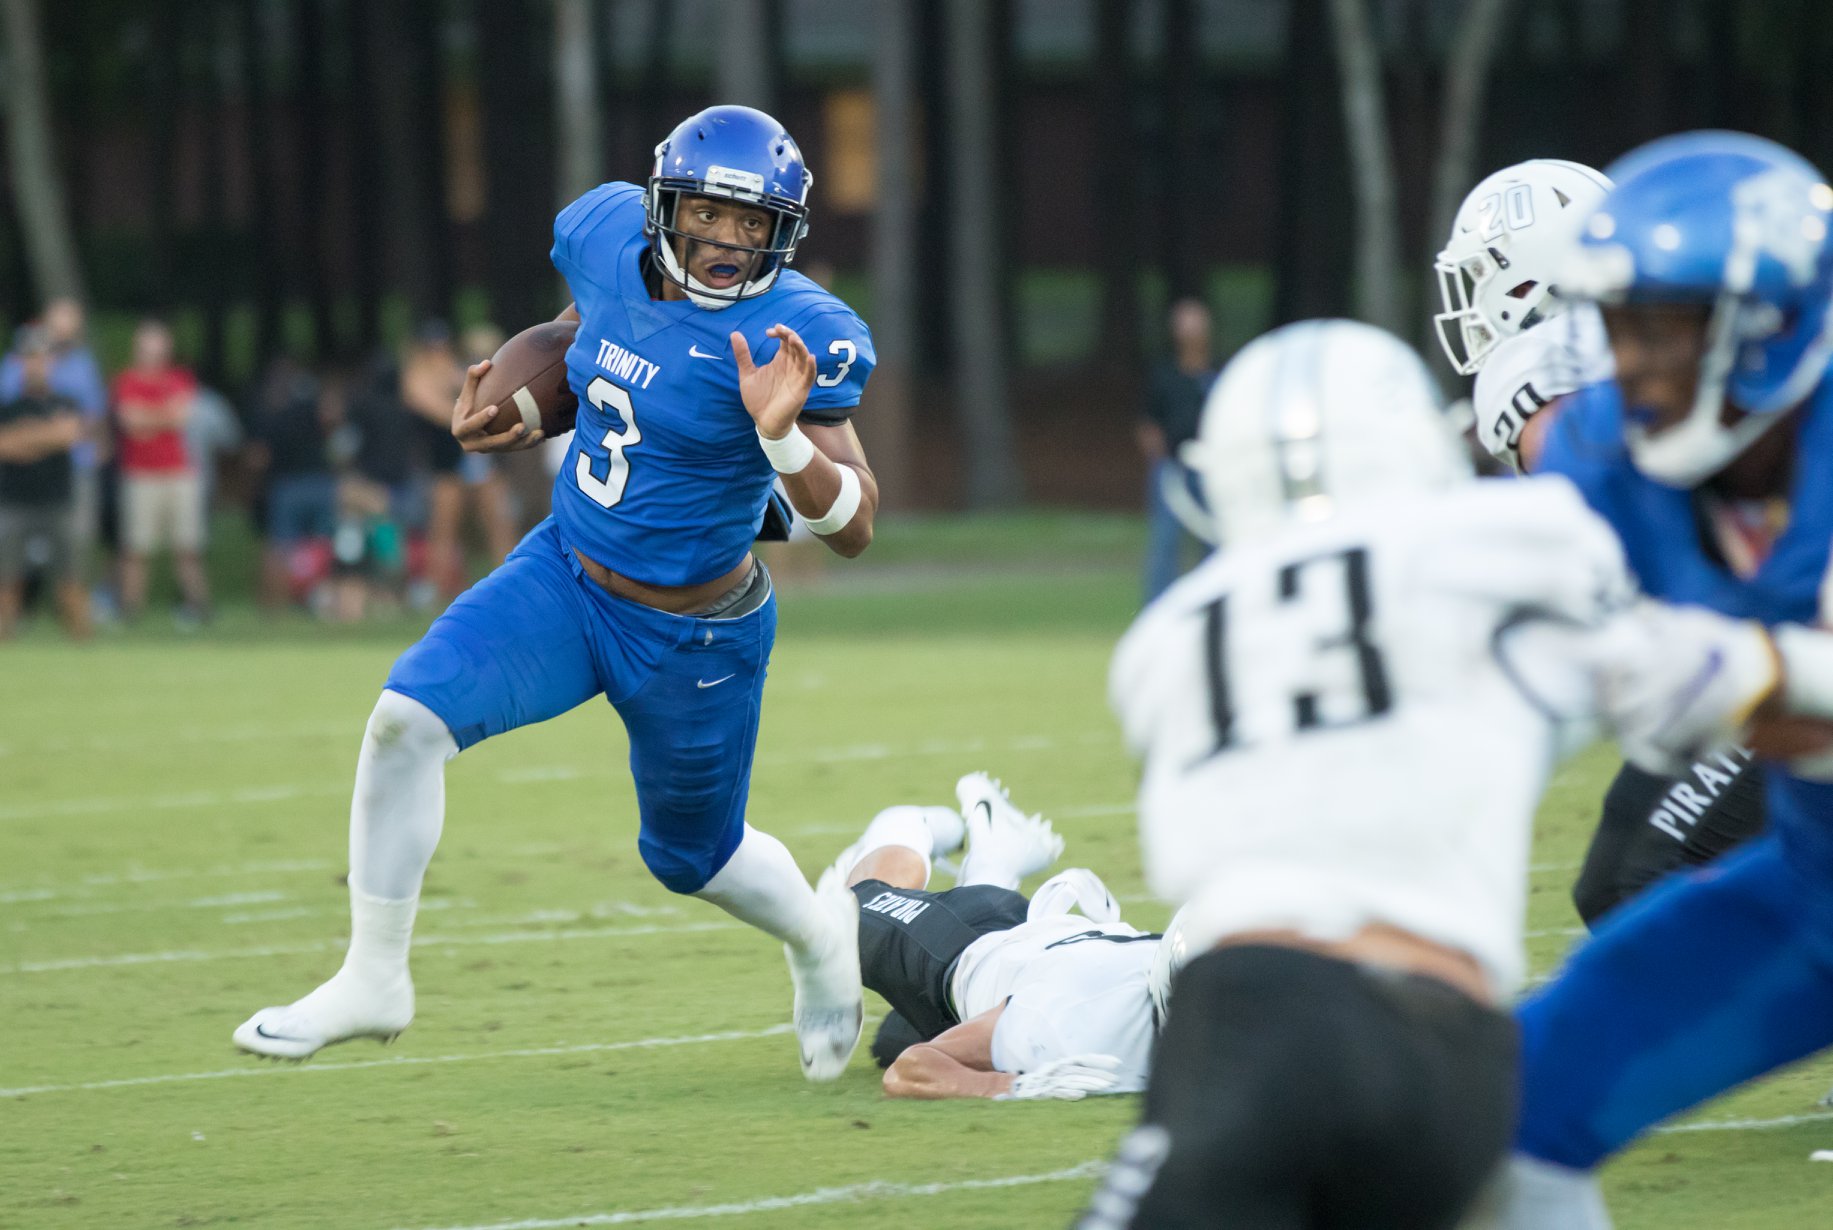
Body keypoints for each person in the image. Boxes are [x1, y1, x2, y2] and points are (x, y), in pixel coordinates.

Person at [1074, 319, 1797, 1230]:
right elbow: (1681, 683)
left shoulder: (1163, 642)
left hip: (1266, 1021)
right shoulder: (1496, 539)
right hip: (1462, 1051)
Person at [233, 105, 880, 1084]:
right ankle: (372, 978)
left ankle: (821, 941)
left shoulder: (797, 333)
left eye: (753, 224)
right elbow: (587, 335)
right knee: (405, 721)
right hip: (566, 575)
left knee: (693, 859)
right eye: (709, 213)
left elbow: (854, 527)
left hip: (695, 631)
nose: (726, 241)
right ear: (664, 206)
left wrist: (782, 437)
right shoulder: (606, 237)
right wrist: (522, 406)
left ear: (782, 233)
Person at [1498, 132, 1833, 1230]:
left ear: (1768, 328)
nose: (1630, 363)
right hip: (1813, 889)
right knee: (1502, 1117)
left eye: (1660, 329)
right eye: (1617, 327)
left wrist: (1773, 673)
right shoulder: (1608, 453)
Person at [1437, 157, 1766, 927]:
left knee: (1632, 882)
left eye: (1483, 273)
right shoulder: (1664, 331)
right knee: (1631, 882)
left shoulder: (1544, 369)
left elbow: (1593, 523)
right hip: (1758, 631)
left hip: (1782, 638)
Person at [834, 772, 1158, 1102]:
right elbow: (910, 1069)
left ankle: (995, 860)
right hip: (963, 942)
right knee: (846, 911)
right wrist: (1009, 1087)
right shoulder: (1061, 1015)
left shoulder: (1160, 982)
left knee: (891, 1040)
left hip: (1025, 958)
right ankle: (907, 825)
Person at [112, 319, 209, 625]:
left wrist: (147, 418)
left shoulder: (180, 378)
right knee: (136, 547)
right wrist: (163, 415)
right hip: (139, 474)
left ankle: (199, 607)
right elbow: (130, 422)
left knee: (187, 546)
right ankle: (130, 610)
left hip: (178, 473)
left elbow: (181, 417)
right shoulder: (126, 380)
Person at [0, 326, 90, 638]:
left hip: (58, 502)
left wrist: (24, 436)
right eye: (30, 358)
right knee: (7, 578)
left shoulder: (68, 402)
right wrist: (47, 435)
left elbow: (68, 435)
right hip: (15, 502)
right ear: (20, 362)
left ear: (52, 362)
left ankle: (82, 644)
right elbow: (4, 446)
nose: (37, 364)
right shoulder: (8, 408)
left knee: (71, 577)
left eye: (42, 357)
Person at [1138, 299, 1215, 603]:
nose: (1192, 330)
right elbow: (1148, 422)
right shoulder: (1164, 374)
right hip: (1173, 467)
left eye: (1197, 322)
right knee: (1166, 541)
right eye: (1185, 323)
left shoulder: (1217, 373)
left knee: (1214, 538)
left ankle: (1212, 600)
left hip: (1211, 468)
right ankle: (1158, 605)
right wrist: (1160, 458)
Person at [248, 356, 337, 611]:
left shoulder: (270, 413)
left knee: (280, 548)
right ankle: (328, 602)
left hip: (287, 486)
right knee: (326, 546)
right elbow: (333, 422)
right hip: (320, 483)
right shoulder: (313, 408)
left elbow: (258, 458)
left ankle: (274, 606)